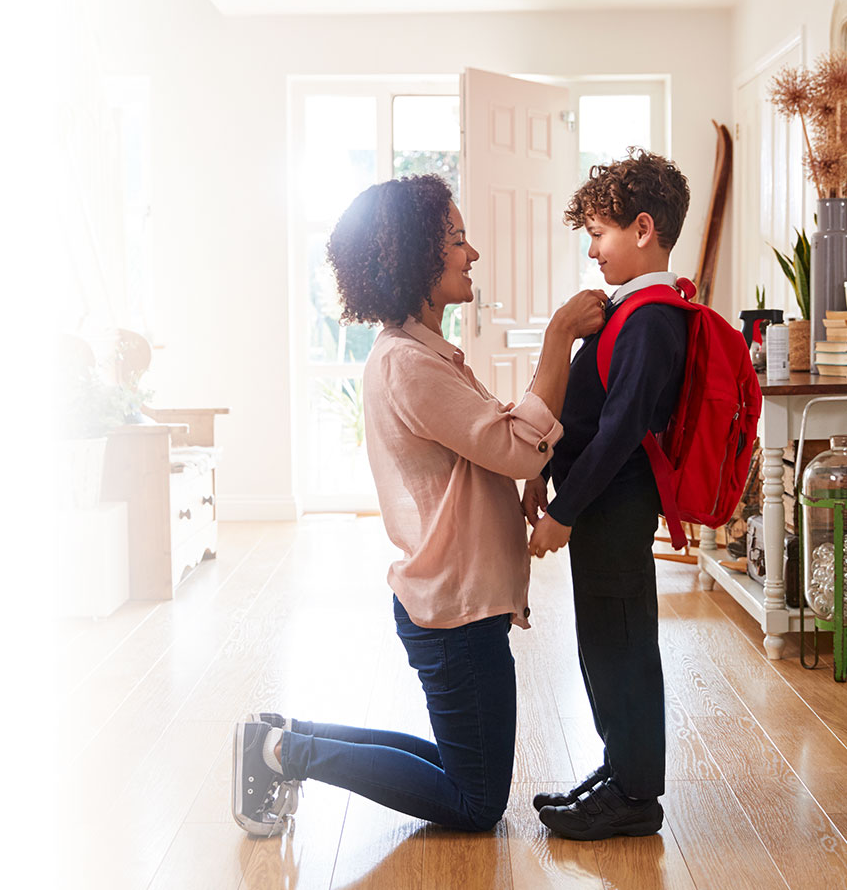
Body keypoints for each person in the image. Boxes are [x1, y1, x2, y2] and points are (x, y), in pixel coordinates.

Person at [231, 173, 608, 837]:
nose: (473, 254)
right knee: (475, 801)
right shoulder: (410, 364)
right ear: (414, 258)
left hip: (453, 601)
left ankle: (284, 736)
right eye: (458, 241)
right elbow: (517, 446)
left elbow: (491, 445)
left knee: (465, 767)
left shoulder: (422, 353)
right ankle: (285, 753)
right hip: (456, 611)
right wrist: (558, 338)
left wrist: (522, 467)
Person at [525, 149, 691, 841]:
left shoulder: (653, 317)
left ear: (643, 228)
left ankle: (635, 795)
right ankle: (619, 770)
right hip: (600, 506)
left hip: (615, 507)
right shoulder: (626, 310)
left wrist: (564, 512)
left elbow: (622, 430)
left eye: (599, 233)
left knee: (622, 646)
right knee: (601, 643)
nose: (592, 249)